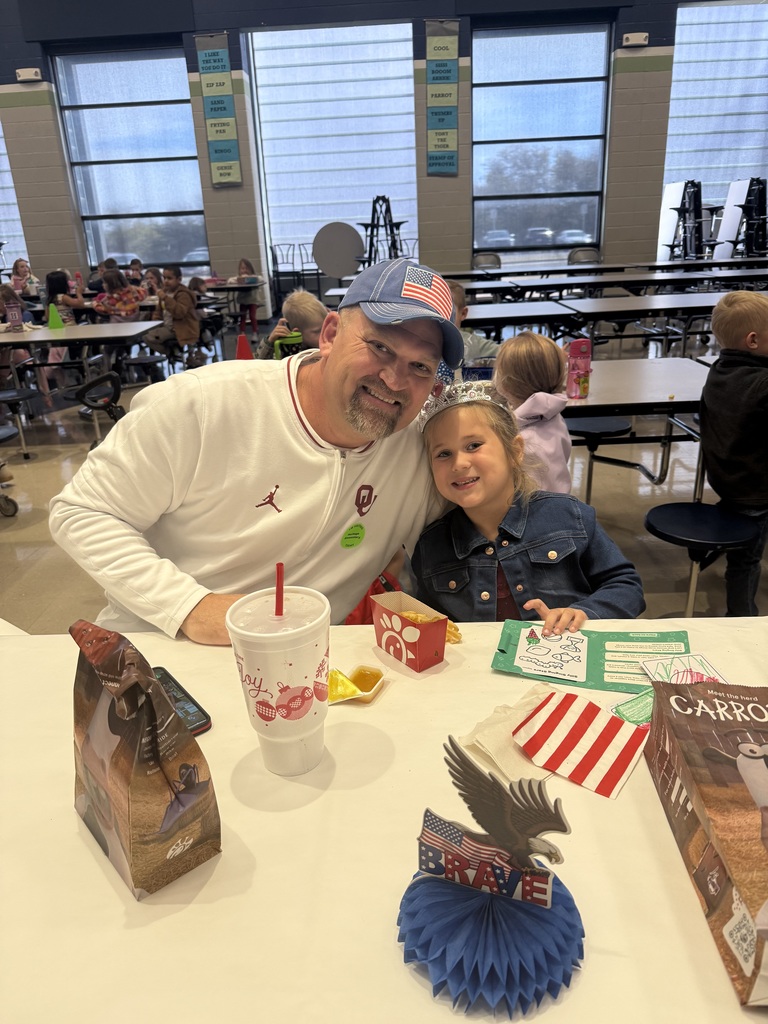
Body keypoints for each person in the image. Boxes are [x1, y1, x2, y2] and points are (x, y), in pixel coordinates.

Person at [49, 258, 463, 644]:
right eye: (380, 347)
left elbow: (496, 512)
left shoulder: (424, 450)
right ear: (331, 334)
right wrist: (188, 606)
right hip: (164, 649)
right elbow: (84, 511)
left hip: (307, 671)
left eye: (421, 367)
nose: (394, 379)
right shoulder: (202, 404)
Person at [411, 381, 644, 634]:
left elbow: (626, 586)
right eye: (443, 454)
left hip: (565, 661)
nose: (459, 463)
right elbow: (430, 622)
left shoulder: (569, 517)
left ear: (515, 451)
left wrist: (584, 613)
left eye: (473, 445)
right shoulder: (431, 546)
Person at [699, 290, 768, 616]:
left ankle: (716, 545)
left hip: (727, 479)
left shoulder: (719, 369)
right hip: (754, 491)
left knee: (742, 540)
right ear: (753, 340)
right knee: (747, 560)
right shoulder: (762, 383)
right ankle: (741, 619)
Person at [492, 331, 572, 493]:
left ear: (505, 384)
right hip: (560, 505)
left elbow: (528, 501)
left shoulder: (525, 440)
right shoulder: (552, 415)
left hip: (537, 514)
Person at [144, 265, 200, 378]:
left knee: (147, 337)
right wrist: (154, 323)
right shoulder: (164, 292)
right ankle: (172, 351)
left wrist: (165, 298)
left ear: (179, 279)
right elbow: (158, 311)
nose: (166, 281)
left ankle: (172, 353)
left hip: (179, 329)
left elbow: (179, 312)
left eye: (169, 278)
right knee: (146, 334)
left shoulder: (183, 294)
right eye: (164, 278)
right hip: (166, 326)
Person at [256, 288, 327, 359]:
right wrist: (270, 342)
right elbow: (259, 363)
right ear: (298, 333)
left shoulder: (326, 342)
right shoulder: (286, 349)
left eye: (325, 327)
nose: (325, 334)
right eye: (318, 331)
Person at [448, 281, 499, 365]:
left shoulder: (473, 344)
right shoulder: (420, 344)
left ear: (463, 313)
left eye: (448, 311)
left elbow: (508, 354)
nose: (440, 318)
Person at [228, 258, 260, 335]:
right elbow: (230, 280)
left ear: (251, 269)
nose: (244, 270)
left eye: (247, 268)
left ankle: (255, 332)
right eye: (242, 268)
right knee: (242, 317)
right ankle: (242, 332)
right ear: (239, 270)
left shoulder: (254, 277)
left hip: (253, 300)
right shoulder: (238, 278)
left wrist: (248, 279)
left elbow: (260, 279)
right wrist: (240, 280)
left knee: (252, 316)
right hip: (243, 301)